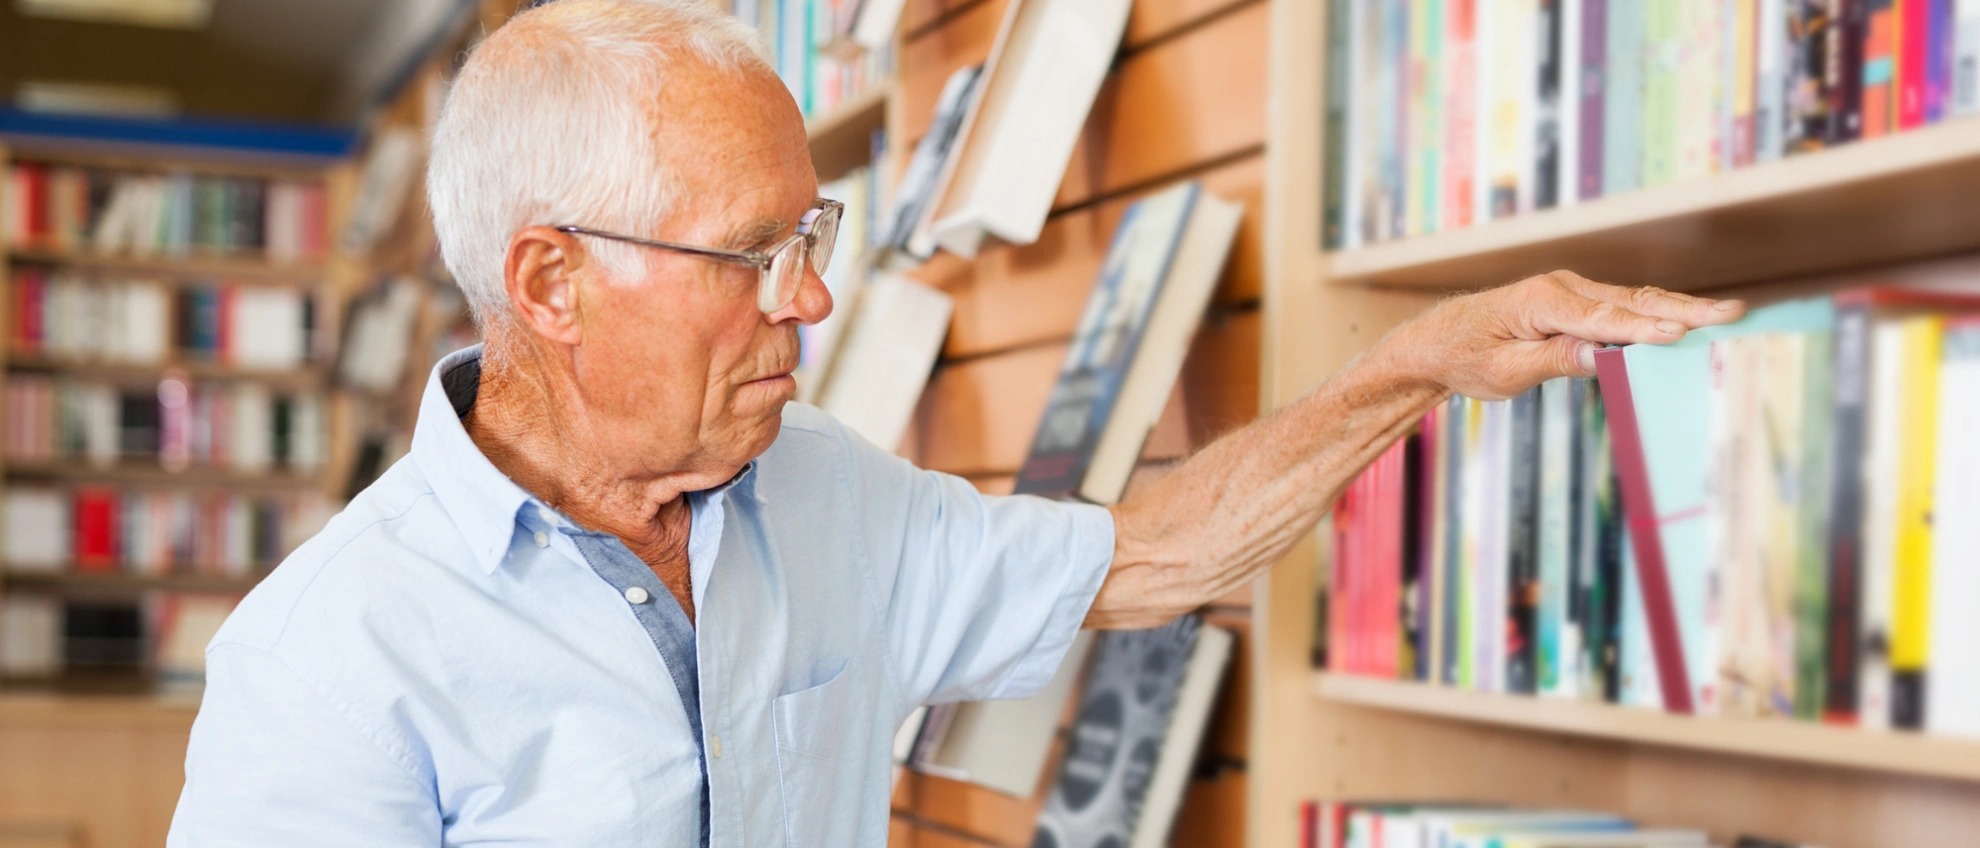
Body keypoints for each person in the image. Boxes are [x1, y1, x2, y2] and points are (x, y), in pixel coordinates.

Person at [165, 1, 1745, 845]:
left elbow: (1157, 555)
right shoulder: (327, 662)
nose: (810, 299)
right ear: (550, 282)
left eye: (814, 237)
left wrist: (1415, 363)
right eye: (754, 254)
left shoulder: (824, 495)